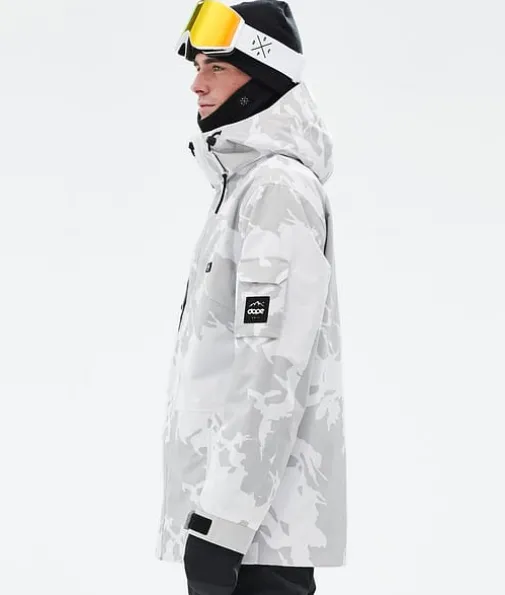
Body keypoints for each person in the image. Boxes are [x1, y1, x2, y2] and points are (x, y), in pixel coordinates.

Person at [155, 1, 347, 594]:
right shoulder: (242, 189)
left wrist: (222, 528)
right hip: (241, 528)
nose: (197, 83)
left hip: (254, 538)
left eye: (216, 66)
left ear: (261, 78)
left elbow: (270, 367)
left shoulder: (276, 190)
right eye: (197, 66)